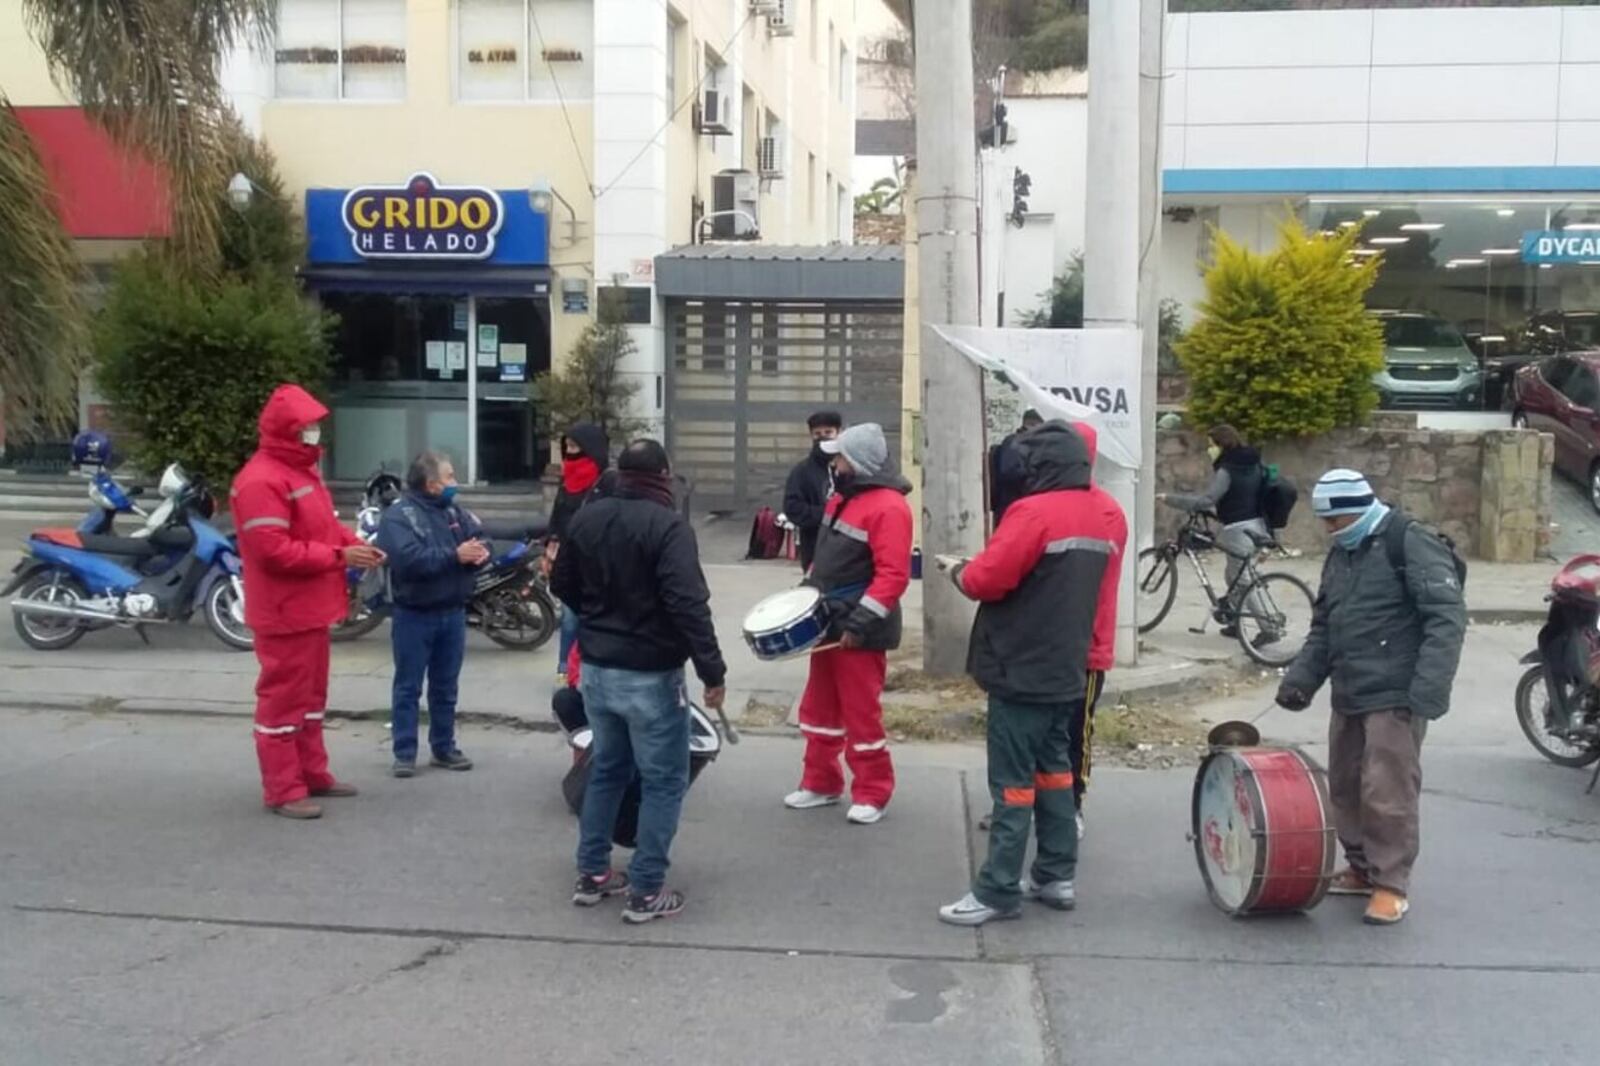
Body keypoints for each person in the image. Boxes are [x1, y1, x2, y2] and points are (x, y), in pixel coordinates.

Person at [937, 421, 1126, 926]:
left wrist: (956, 569)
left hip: (1020, 668)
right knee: (1056, 775)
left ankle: (998, 889)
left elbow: (985, 580)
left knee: (1013, 785)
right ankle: (1056, 874)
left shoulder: (1032, 512)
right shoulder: (1100, 512)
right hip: (1067, 667)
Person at [1275, 469, 1466, 926]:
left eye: (1335, 522)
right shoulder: (1341, 555)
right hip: (1350, 689)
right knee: (1344, 785)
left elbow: (1447, 618)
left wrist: (1429, 691)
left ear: (1356, 511)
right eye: (1326, 523)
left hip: (1397, 693)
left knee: (1387, 791)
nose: (1329, 531)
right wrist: (1300, 681)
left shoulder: (1410, 542)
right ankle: (1361, 868)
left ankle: (1390, 884)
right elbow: (1325, 626)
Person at [551, 439, 726, 924]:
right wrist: (713, 671)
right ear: (662, 476)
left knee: (608, 768)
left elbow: (560, 582)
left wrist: (599, 617)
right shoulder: (669, 528)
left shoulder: (587, 517)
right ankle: (647, 889)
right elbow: (688, 604)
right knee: (663, 780)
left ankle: (592, 874)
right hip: (650, 672)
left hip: (598, 669)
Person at [232, 384, 383, 820]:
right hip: (284, 612)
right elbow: (273, 551)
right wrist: (340, 556)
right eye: (308, 427)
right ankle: (283, 789)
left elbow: (326, 530)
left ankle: (312, 773)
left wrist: (355, 545)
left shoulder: (300, 473)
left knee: (311, 698)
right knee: (283, 701)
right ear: (287, 430)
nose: (316, 434)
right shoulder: (262, 480)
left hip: (310, 608)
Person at [784, 422, 913, 826]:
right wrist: (806, 593)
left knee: (861, 714)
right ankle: (821, 783)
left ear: (857, 463)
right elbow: (824, 559)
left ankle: (874, 791)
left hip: (861, 628)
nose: (833, 462)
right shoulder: (843, 499)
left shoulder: (889, 507)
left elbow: (893, 576)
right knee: (819, 708)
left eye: (839, 457)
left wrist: (859, 624)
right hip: (830, 619)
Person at [374, 451, 489, 778]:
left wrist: (481, 552)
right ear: (432, 484)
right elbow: (408, 560)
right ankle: (405, 753)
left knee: (445, 686)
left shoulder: (454, 512)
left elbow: (481, 538)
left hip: (452, 612)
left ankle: (444, 747)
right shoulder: (400, 516)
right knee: (408, 686)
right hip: (414, 614)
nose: (455, 482)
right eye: (450, 476)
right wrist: (455, 556)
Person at [1158, 424, 1269, 638]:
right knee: (1233, 577)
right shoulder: (1253, 463)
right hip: (1257, 525)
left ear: (1221, 445)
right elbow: (1244, 495)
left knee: (1243, 580)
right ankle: (1237, 624)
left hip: (1239, 530)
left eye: (1211, 445)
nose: (1209, 450)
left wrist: (1171, 499)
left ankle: (1268, 628)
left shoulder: (1227, 470)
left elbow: (1208, 500)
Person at [547, 423, 610, 679]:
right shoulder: (567, 482)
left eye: (575, 447)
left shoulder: (605, 483)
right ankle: (565, 669)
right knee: (570, 618)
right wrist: (551, 543)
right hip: (568, 560)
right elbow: (557, 516)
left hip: (596, 561)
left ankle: (589, 667)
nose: (570, 453)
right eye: (568, 447)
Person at [783, 411, 843, 569]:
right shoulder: (801, 472)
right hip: (814, 549)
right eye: (817, 434)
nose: (823, 437)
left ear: (839, 433)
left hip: (849, 551)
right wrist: (827, 514)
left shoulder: (848, 467)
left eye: (828, 432)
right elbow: (793, 508)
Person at [989, 408, 1043, 526]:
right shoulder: (1015, 442)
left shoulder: (1021, 442)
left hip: (1017, 507)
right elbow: (1009, 471)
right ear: (1032, 424)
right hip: (1011, 507)